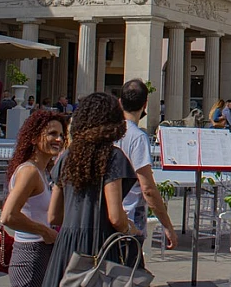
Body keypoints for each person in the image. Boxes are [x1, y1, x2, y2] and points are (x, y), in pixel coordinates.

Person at [41, 92, 141, 287]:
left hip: (66, 247)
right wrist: (131, 228)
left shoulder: (66, 157)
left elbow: (53, 216)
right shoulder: (113, 157)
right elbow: (115, 217)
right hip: (99, 244)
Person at [0, 111, 68, 287]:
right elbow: (8, 216)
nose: (59, 139)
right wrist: (45, 232)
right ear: (34, 138)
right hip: (31, 255)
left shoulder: (42, 171)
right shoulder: (29, 172)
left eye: (61, 134)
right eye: (52, 134)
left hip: (41, 252)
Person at [115, 79, 178, 255]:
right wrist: (167, 225)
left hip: (107, 214)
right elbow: (148, 188)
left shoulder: (108, 132)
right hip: (130, 216)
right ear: (145, 104)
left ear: (120, 102)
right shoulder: (137, 137)